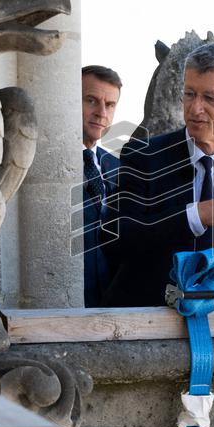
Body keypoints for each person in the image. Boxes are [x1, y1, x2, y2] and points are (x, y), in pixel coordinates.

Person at [104, 43, 214, 308]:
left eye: (210, 98)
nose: (195, 108)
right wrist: (197, 216)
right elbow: (116, 240)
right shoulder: (143, 157)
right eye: (189, 94)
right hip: (155, 326)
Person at [80, 65, 122, 308]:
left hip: (113, 305)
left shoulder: (119, 167)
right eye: (91, 100)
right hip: (62, 305)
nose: (101, 112)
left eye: (110, 105)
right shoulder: (47, 166)